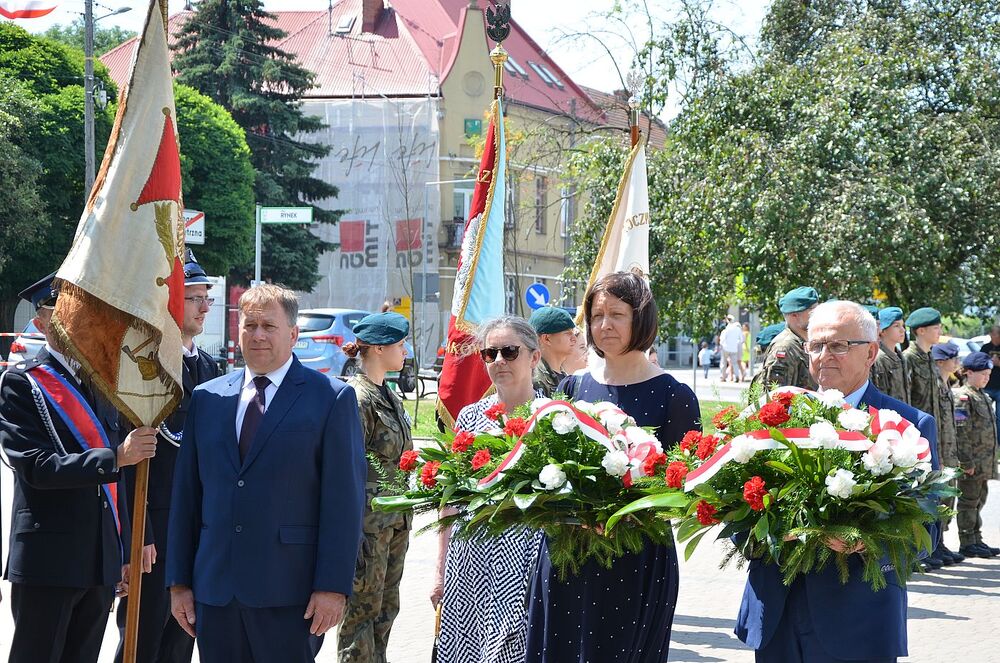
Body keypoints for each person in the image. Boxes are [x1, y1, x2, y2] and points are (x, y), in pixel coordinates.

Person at [166, 284, 366, 662]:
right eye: (249, 325)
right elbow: (187, 497)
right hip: (216, 591)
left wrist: (332, 587)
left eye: (268, 326)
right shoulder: (208, 398)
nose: (257, 335)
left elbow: (344, 503)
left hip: (291, 593)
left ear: (293, 333)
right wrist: (179, 583)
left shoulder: (330, 399)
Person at [736, 300, 939, 663]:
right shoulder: (774, 419)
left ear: (871, 352)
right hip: (777, 619)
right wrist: (764, 530)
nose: (824, 355)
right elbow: (736, 511)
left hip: (857, 622)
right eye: (815, 345)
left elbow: (928, 533)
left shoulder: (907, 426)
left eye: (839, 345)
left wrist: (865, 542)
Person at [525, 271, 700, 663]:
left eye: (617, 314)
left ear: (642, 318)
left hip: (634, 560)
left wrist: (625, 509)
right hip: (567, 557)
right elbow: (546, 466)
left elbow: (685, 487)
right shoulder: (571, 387)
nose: (604, 325)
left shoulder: (675, 396)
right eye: (596, 315)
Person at [0, 273, 158, 663]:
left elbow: (117, 483)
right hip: (49, 558)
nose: (77, 322)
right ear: (40, 322)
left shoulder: (102, 385)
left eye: (85, 312)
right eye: (64, 312)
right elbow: (35, 467)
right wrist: (114, 457)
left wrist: (122, 549)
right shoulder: (23, 384)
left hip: (98, 560)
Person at [114, 250, 220, 663]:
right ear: (173, 303)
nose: (205, 307)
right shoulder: (144, 367)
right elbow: (130, 459)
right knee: (142, 637)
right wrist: (140, 533)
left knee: (183, 635)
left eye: (207, 297)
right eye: (195, 298)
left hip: (196, 528)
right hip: (154, 528)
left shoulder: (210, 368)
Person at [433, 315, 544, 663]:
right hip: (470, 561)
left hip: (528, 559)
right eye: (489, 354)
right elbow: (451, 499)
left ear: (534, 358)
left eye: (510, 352)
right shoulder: (469, 418)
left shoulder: (555, 417)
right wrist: (440, 570)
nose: (499, 361)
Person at [338, 312, 414, 663]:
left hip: (393, 519)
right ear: (380, 349)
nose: (405, 351)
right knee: (360, 616)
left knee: (385, 610)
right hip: (367, 526)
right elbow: (345, 469)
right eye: (400, 345)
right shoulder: (357, 398)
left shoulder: (388, 395)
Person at [900, 307, 945, 569]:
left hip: (930, 434)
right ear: (921, 331)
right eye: (936, 327)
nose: (940, 331)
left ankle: (933, 546)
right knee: (916, 496)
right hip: (914, 437)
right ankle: (918, 550)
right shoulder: (909, 359)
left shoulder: (929, 358)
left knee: (932, 494)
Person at [952, 352, 1000, 558]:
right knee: (969, 501)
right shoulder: (963, 397)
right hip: (972, 461)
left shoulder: (983, 395)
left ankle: (976, 538)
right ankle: (967, 541)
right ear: (968, 373)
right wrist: (966, 460)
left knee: (979, 499)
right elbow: (961, 431)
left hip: (984, 461)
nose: (986, 378)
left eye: (989, 374)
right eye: (983, 374)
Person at [929, 341, 964, 565]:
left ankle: (940, 542)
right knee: (936, 500)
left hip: (949, 450)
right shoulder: (934, 384)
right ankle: (932, 547)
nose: (957, 363)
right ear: (941, 361)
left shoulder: (946, 385)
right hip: (939, 449)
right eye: (954, 359)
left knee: (947, 501)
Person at [752, 286, 819, 391]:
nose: (817, 314)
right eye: (812, 310)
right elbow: (776, 395)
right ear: (794, 315)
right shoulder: (784, 347)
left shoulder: (805, 341)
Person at [529, 307, 577, 397]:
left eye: (573, 333)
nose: (574, 338)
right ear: (547, 339)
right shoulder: (534, 378)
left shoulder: (564, 376)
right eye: (567, 333)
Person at [871, 307, 910, 403]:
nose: (902, 330)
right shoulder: (879, 358)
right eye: (896, 326)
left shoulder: (900, 357)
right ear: (882, 330)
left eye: (903, 325)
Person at [975, 325, 1000, 444]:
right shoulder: (985, 348)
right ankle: (986, 440)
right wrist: (990, 362)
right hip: (987, 386)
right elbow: (979, 364)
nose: (993, 337)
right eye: (992, 334)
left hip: (999, 387)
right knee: (985, 415)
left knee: (999, 418)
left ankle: (998, 442)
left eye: (995, 334)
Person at [719, 315, 745, 382]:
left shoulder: (726, 330)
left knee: (723, 363)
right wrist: (736, 344)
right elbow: (741, 339)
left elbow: (722, 340)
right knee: (735, 363)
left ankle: (723, 377)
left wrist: (722, 346)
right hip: (734, 349)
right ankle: (737, 376)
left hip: (726, 348)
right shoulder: (737, 329)